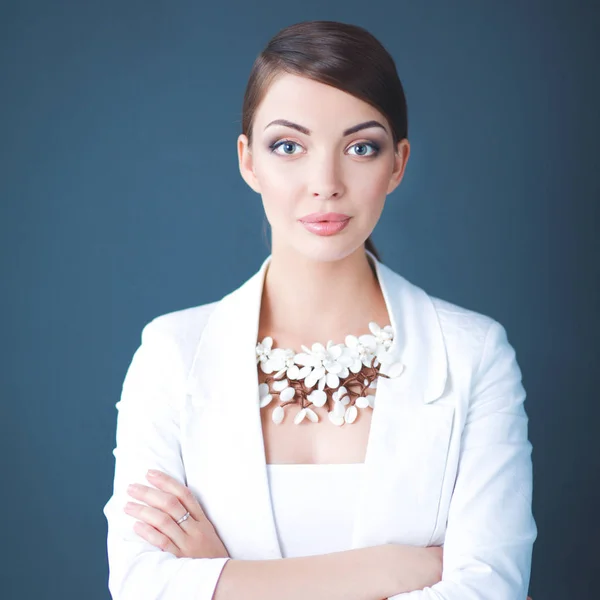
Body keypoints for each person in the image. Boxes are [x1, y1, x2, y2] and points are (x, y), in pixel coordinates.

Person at [103, 20, 537, 600]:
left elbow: (489, 590)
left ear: (398, 164)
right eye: (289, 146)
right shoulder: (172, 353)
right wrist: (385, 570)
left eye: (361, 147)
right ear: (248, 160)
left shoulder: (475, 354)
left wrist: (222, 577)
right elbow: (141, 586)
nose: (325, 183)